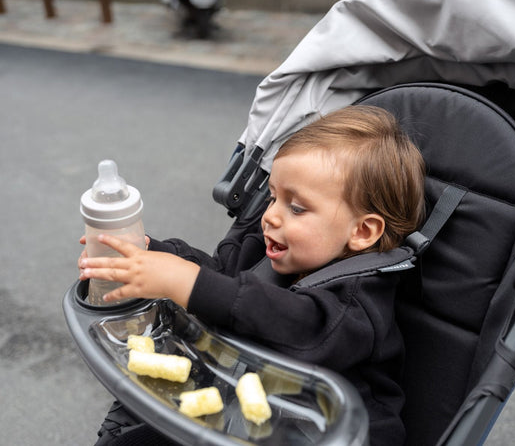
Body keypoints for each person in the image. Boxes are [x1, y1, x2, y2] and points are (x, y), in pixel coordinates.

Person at [79, 105, 425, 445]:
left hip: (327, 431)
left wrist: (185, 282)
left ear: (362, 232)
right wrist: (153, 254)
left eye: (297, 207)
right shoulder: (266, 248)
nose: (271, 216)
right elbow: (219, 276)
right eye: (272, 197)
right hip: (248, 409)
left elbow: (295, 327)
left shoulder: (357, 305)